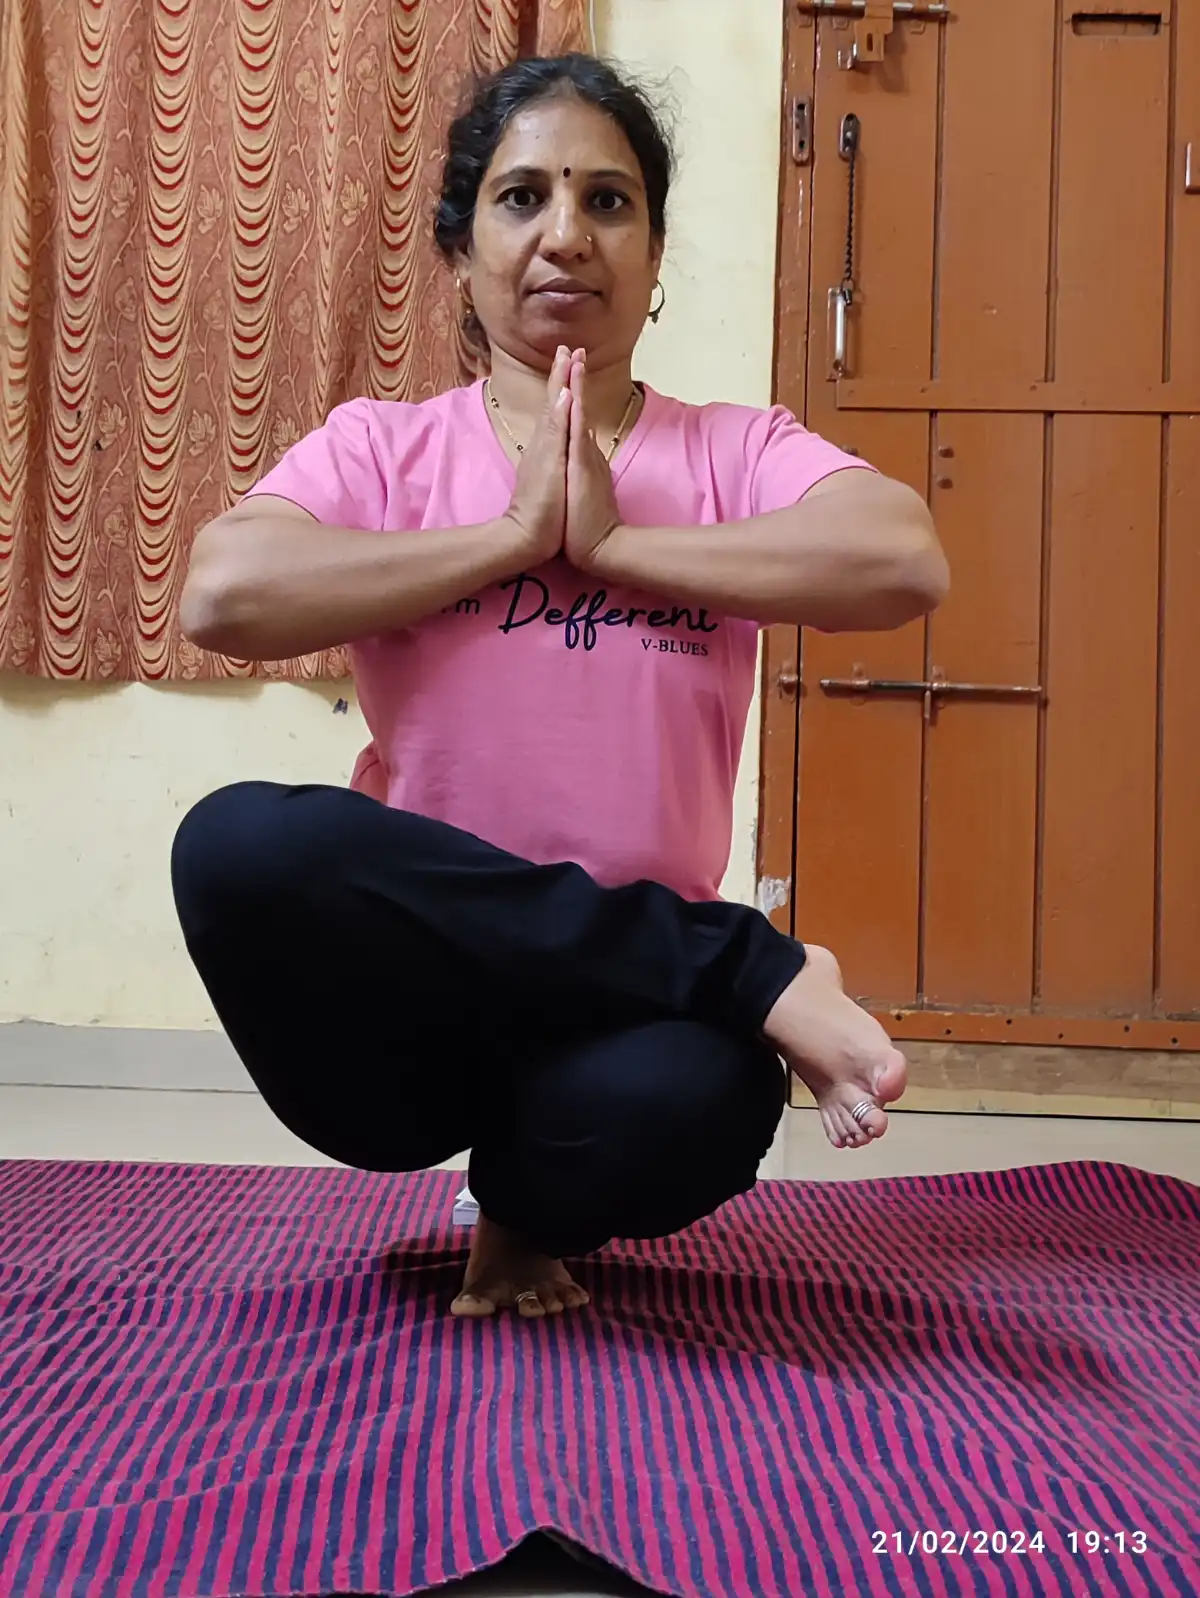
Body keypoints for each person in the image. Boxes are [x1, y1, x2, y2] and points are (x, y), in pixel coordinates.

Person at [172, 53, 948, 1319]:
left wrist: (619, 546)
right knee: (237, 844)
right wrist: (507, 538)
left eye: (608, 200)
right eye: (522, 197)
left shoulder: (734, 450)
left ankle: (526, 1205)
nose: (565, 236)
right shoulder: (387, 445)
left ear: (651, 249)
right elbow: (221, 593)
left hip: (624, 1015)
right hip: (415, 1009)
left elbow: (903, 556)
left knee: (707, 1102)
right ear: (463, 247)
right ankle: (746, 965)